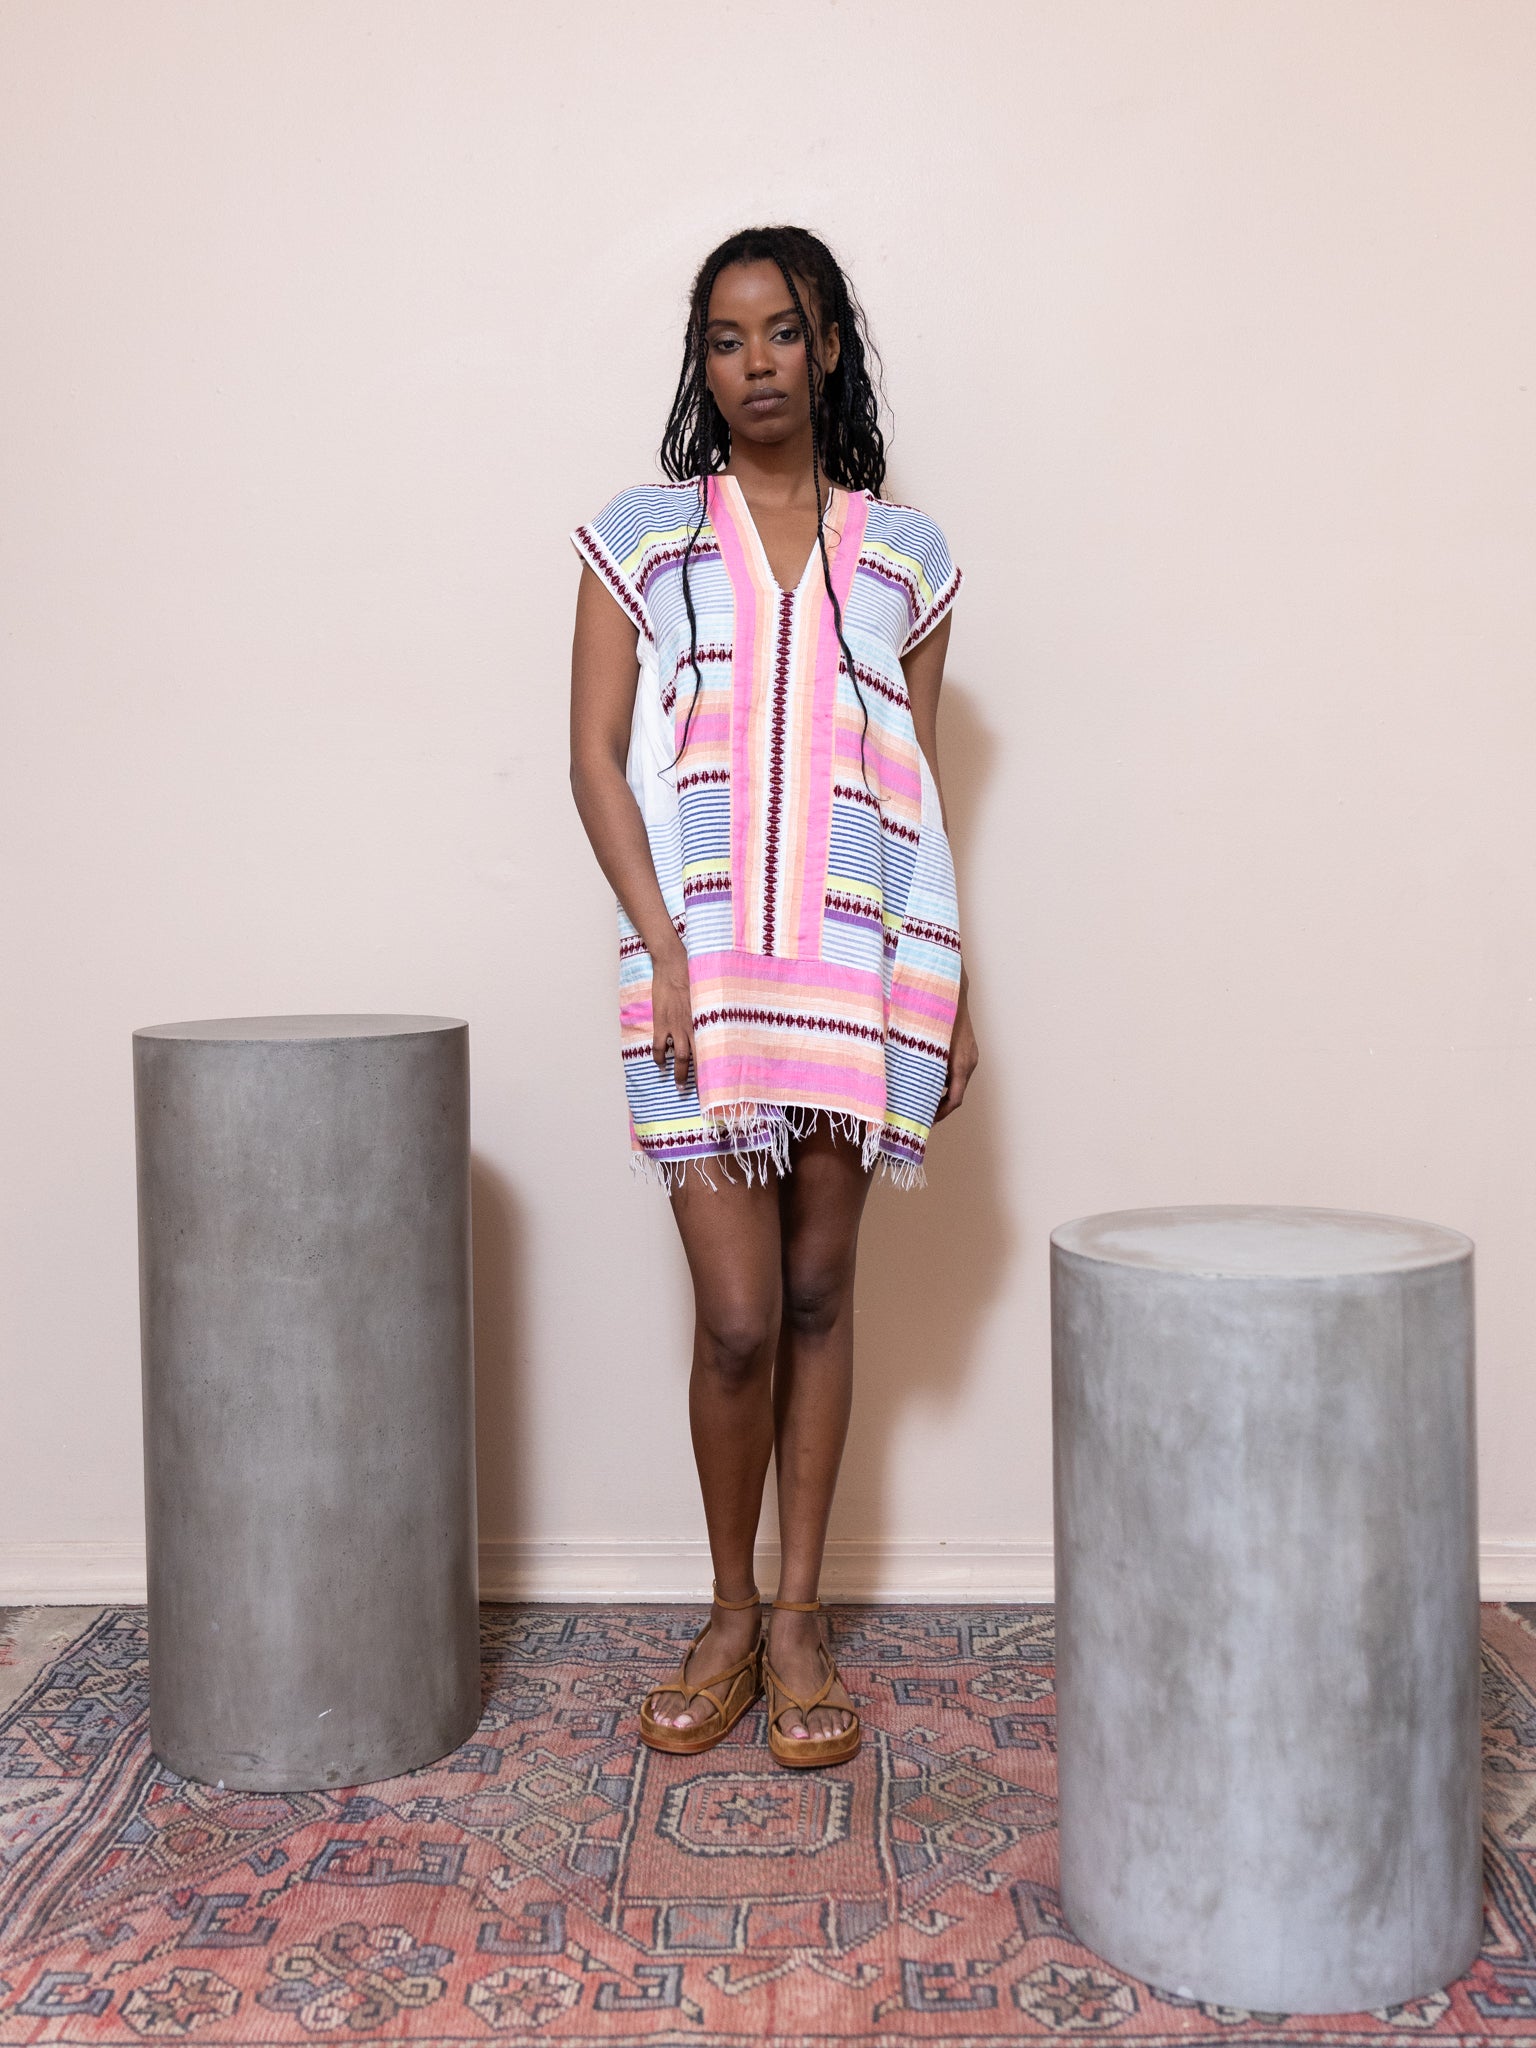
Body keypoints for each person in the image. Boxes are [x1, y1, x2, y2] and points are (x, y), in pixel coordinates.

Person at [568, 225, 977, 1768]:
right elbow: (592, 759)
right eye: (727, 339)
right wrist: (664, 952)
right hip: (701, 984)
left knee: (816, 1296)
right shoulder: (647, 538)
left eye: (783, 332)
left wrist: (951, 983)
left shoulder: (907, 557)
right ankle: (728, 1612)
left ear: (828, 348)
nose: (756, 364)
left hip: (857, 975)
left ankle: (798, 1622)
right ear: (704, 363)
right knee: (736, 1320)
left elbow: (914, 788)